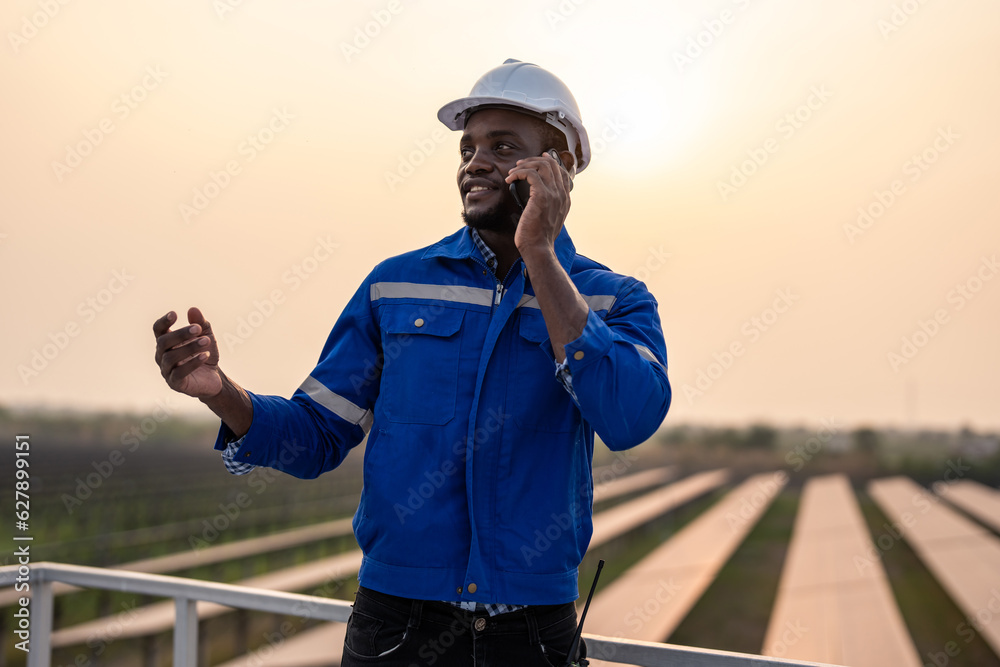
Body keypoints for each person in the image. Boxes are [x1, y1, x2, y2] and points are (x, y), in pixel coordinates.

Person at [153, 59, 671, 666]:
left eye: (503, 147)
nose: (475, 162)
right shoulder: (395, 287)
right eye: (468, 147)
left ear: (558, 169)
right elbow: (317, 436)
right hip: (397, 628)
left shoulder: (614, 300)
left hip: (534, 636)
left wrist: (538, 253)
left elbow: (631, 417)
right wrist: (220, 393)